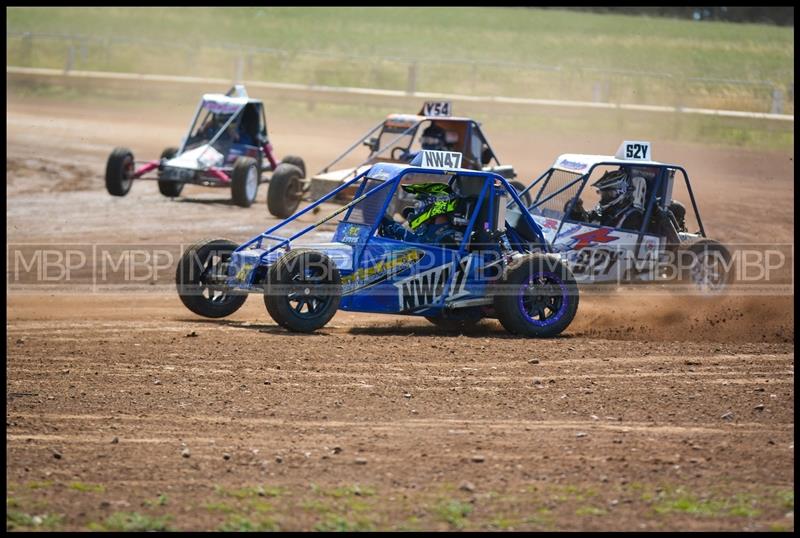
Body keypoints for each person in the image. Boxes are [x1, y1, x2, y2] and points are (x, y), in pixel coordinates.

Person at [379, 182, 464, 247]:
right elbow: (412, 239)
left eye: (419, 205)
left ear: (437, 205)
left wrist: (393, 227)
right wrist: (390, 225)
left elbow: (421, 250)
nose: (417, 209)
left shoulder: (450, 237)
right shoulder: (427, 228)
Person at [566, 169, 644, 231]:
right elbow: (588, 220)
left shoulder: (632, 215)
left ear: (619, 192)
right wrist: (576, 210)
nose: (602, 197)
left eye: (606, 193)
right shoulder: (602, 208)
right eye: (601, 193)